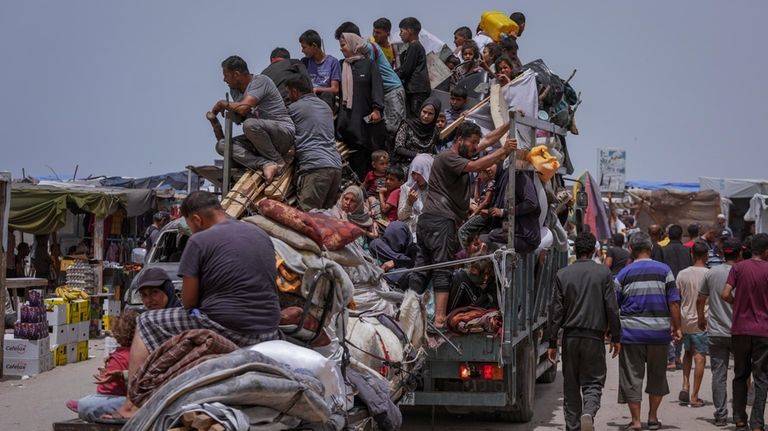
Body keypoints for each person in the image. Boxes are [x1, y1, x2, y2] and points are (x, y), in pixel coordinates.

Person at [103, 192, 281, 422]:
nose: (192, 231)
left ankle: (132, 405)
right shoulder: (260, 234)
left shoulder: (199, 241)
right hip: (269, 328)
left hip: (229, 327)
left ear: (196, 219)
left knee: (147, 321)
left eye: (190, 226)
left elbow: (188, 301)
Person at [408, 121, 514, 329]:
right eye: (472, 143)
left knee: (423, 268)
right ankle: (439, 318)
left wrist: (508, 124)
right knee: (442, 268)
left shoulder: (461, 153)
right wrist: (504, 150)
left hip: (430, 220)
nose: (476, 147)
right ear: (459, 141)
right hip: (440, 221)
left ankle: (409, 312)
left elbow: (487, 139)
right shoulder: (449, 158)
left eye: (476, 143)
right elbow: (476, 166)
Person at [547, 231, 621, 431]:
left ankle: (573, 427)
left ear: (575, 250)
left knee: (571, 387)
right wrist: (616, 337)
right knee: (593, 382)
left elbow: (556, 311)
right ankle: (588, 412)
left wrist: (552, 341)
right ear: (594, 250)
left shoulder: (563, 274)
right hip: (594, 338)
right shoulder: (604, 273)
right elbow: (612, 308)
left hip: (570, 337)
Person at [615, 232, 682, 431]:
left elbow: (613, 304)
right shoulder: (665, 271)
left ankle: (636, 422)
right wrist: (677, 327)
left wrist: (611, 331)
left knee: (632, 377)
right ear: (651, 249)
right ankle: (652, 418)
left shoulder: (624, 273)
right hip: (659, 334)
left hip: (631, 333)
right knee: (657, 375)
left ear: (631, 250)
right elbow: (674, 303)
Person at [212, 55, 295, 183]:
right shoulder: (235, 91)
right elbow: (241, 117)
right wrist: (229, 112)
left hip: (281, 134)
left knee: (250, 125)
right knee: (222, 145)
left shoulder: (260, 81)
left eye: (226, 75)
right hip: (260, 139)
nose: (224, 79)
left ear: (236, 74)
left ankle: (278, 162)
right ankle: (265, 163)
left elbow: (244, 108)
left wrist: (223, 104)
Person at [721, 233, 768, 431]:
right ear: (766, 251)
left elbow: (725, 294)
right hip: (764, 331)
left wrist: (737, 304)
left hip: (740, 329)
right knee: (761, 378)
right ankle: (757, 423)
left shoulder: (738, 268)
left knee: (740, 374)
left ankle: (739, 419)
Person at [697, 237, 741, 426]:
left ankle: (721, 414)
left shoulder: (711, 273)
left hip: (716, 331)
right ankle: (739, 415)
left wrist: (701, 318)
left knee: (719, 374)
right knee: (741, 374)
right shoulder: (744, 272)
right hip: (740, 331)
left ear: (722, 253)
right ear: (739, 253)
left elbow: (701, 299)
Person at [335, 21, 405, 137]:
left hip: (391, 90)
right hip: (383, 92)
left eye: (344, 42)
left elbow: (368, 73)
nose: (341, 48)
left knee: (394, 128)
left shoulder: (367, 48)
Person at [67, 310, 137, 422]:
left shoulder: (126, 356)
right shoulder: (126, 354)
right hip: (116, 396)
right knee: (92, 400)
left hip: (118, 398)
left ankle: (86, 407)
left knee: (87, 404)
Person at [285, 76, 343, 211]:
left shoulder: (293, 108)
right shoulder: (325, 107)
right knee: (326, 217)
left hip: (315, 168)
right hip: (335, 167)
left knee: (308, 217)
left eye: (288, 92)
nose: (288, 96)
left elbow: (283, 132)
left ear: (294, 91)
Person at [336, 32, 386, 181]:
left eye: (343, 45)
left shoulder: (369, 64)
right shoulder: (341, 65)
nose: (341, 49)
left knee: (368, 155)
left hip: (365, 119)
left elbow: (377, 87)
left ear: (353, 44)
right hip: (347, 120)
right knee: (354, 158)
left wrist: (377, 109)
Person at [675, 242, 710, 408]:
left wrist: (674, 324)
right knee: (700, 356)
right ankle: (695, 397)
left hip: (685, 319)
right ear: (706, 255)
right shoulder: (709, 274)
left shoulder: (682, 274)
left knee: (687, 352)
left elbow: (676, 298)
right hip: (702, 321)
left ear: (692, 254)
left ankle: (685, 384)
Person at [396, 17, 431, 118]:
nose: (400, 34)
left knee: (415, 118)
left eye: (401, 31)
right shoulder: (416, 46)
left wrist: (391, 76)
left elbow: (406, 70)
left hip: (416, 90)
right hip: (418, 89)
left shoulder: (414, 46)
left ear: (410, 30)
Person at [299, 30, 341, 110]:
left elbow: (335, 89)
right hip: (310, 100)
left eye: (304, 47)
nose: (302, 51)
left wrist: (317, 89)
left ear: (314, 46)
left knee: (326, 95)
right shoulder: (305, 62)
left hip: (326, 100)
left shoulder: (332, 62)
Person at [392, 97, 441, 165]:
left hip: (424, 165)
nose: (426, 116)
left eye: (430, 114)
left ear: (435, 116)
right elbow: (398, 148)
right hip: (404, 163)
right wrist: (419, 156)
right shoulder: (407, 125)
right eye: (424, 112)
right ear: (420, 110)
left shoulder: (435, 131)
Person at [398, 153, 433, 238]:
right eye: (413, 173)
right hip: (411, 231)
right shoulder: (406, 188)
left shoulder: (436, 189)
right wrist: (409, 202)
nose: (415, 177)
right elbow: (401, 216)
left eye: (419, 173)